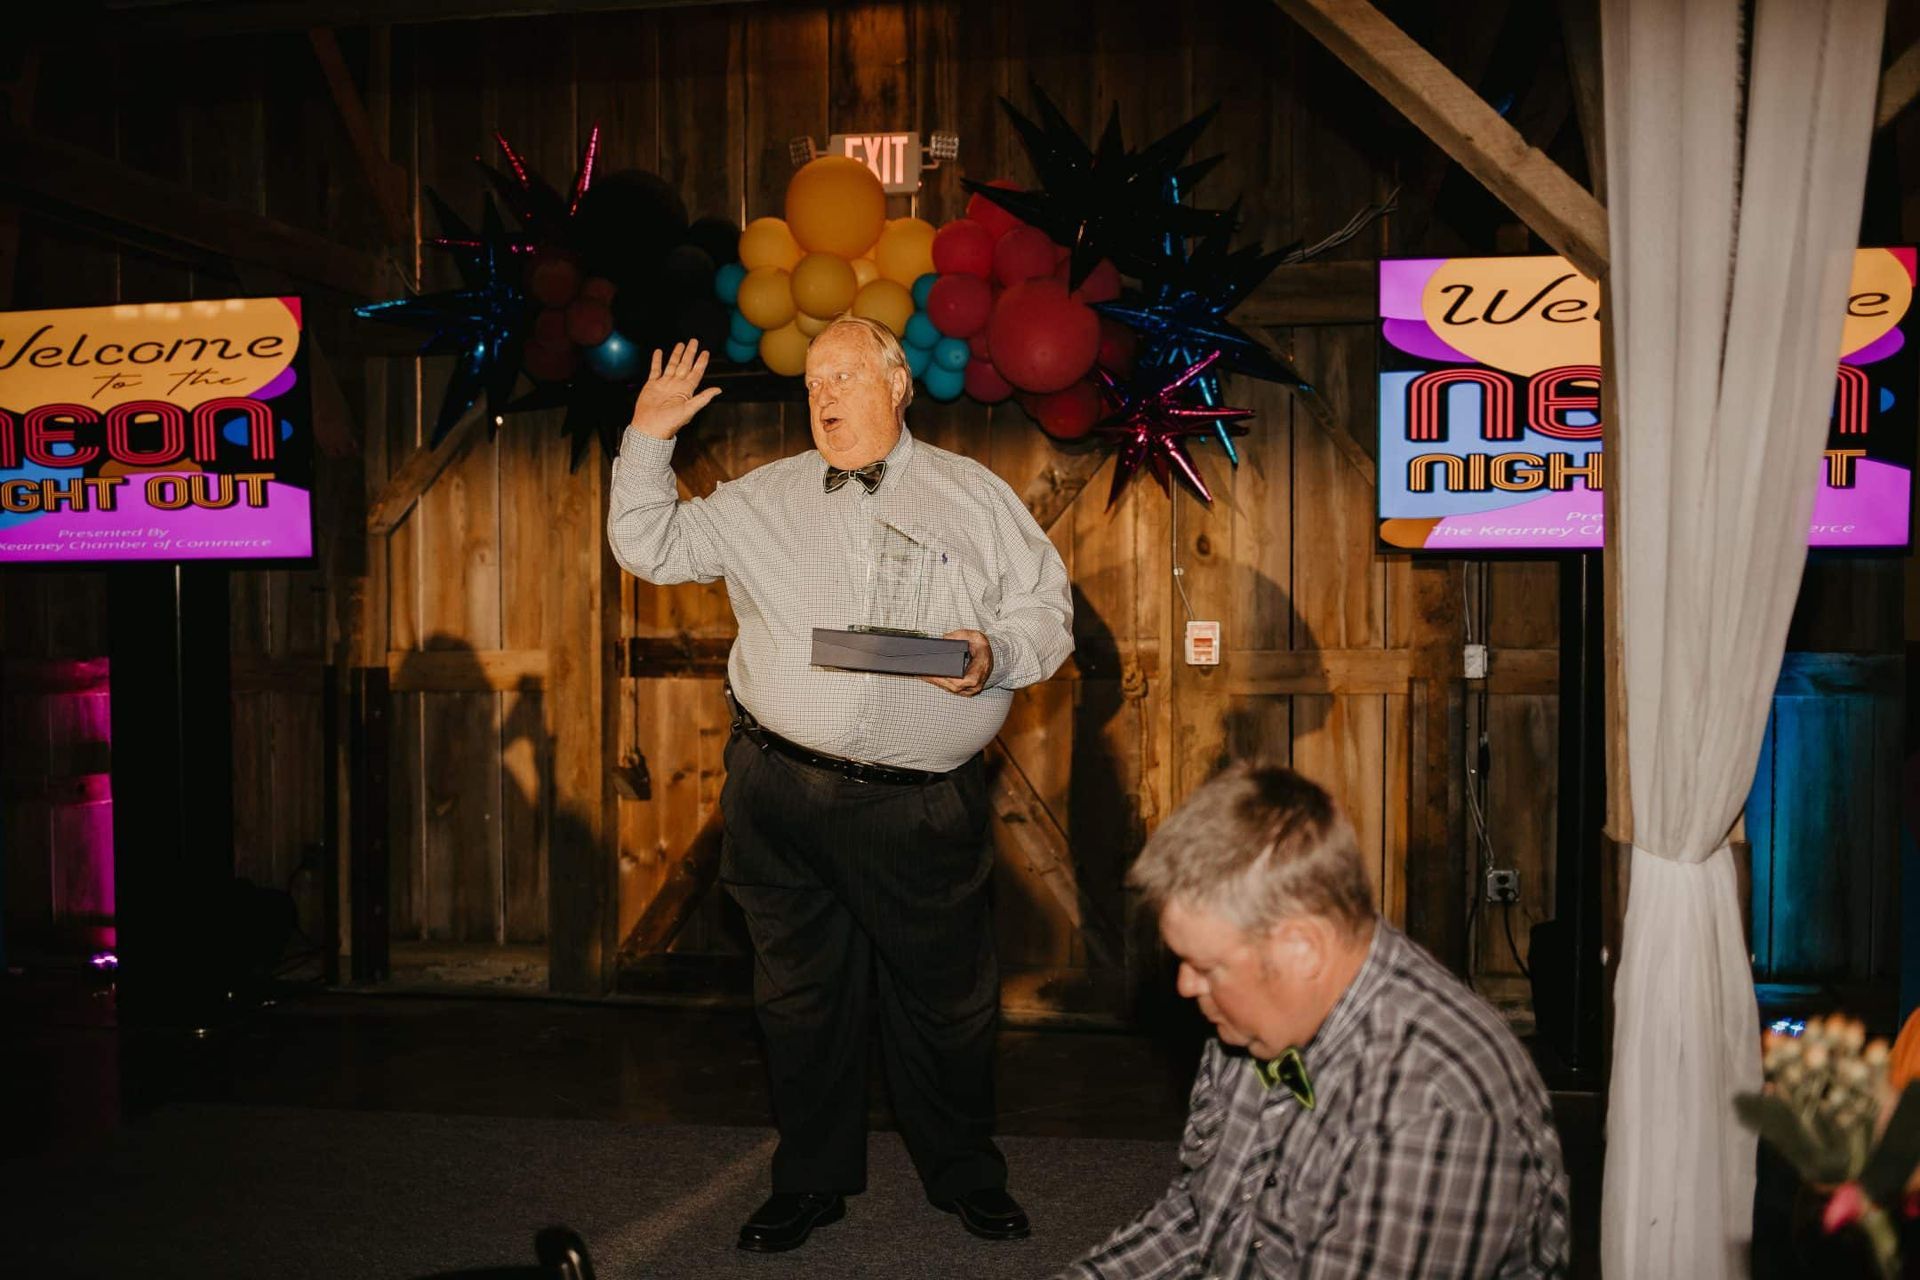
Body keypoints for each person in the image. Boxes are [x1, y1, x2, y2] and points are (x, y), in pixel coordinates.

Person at [606, 323, 1074, 1253]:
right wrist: (648, 437)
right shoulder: (762, 497)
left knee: (946, 1003)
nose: (824, 395)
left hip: (920, 808)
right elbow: (648, 544)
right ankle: (810, 1182)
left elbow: (1046, 615)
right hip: (779, 796)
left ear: (898, 384)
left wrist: (995, 653)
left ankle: (965, 1176)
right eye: (814, 381)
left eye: (846, 375)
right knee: (798, 1000)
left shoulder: (974, 495)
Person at [1059, 763, 1570, 1279]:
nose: (1186, 986)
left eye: (1206, 967)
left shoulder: (1434, 1106)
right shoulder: (1253, 1017)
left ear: (1302, 949)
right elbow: (1197, 1221)